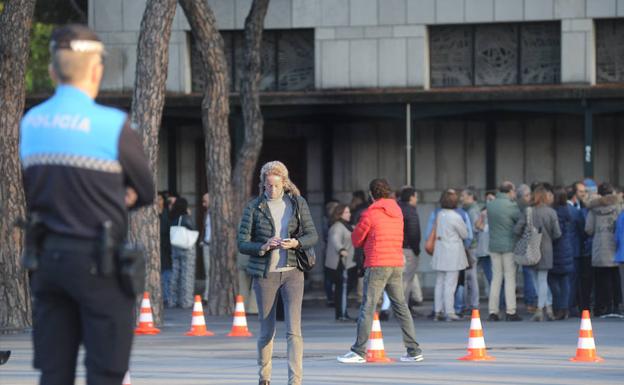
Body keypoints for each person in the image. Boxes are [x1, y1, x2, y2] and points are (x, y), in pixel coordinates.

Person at [20, 24, 154, 385]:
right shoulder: (113, 125)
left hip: (48, 263)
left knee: (54, 372)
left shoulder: (30, 124)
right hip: (99, 263)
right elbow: (145, 189)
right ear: (97, 70)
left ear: (52, 71)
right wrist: (115, 195)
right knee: (106, 371)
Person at [237, 161, 318, 385]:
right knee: (267, 331)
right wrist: (263, 245)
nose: (272, 190)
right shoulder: (254, 207)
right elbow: (242, 243)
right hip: (266, 275)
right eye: (268, 186)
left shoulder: (297, 203)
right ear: (262, 185)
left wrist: (296, 242)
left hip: (293, 273)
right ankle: (264, 378)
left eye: (276, 185)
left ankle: (296, 380)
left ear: (284, 182)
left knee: (294, 330)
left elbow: (313, 235)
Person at [337, 179, 423, 364]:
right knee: (400, 306)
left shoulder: (371, 213)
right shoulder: (397, 211)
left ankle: (358, 351)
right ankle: (414, 350)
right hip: (395, 262)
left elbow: (356, 239)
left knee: (368, 306)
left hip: (377, 263)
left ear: (371, 194)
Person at [515, 187, 561, 321]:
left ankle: (542, 308)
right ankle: (545, 308)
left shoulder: (528, 211)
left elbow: (517, 229)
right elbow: (557, 233)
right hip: (546, 249)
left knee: (536, 280)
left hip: (530, 248)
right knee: (542, 279)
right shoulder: (551, 212)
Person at [486, 181, 522, 321]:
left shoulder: (491, 205)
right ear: (509, 191)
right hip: (509, 246)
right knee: (509, 278)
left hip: (494, 245)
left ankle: (493, 311)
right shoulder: (511, 206)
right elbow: (519, 221)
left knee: (496, 279)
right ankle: (510, 311)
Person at [585, 182, 622, 317]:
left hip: (599, 247)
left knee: (601, 279)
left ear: (599, 194)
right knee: (615, 277)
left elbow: (588, 229)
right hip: (614, 247)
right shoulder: (618, 207)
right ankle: (617, 305)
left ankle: (603, 306)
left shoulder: (593, 209)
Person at [432, 190, 469, 321]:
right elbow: (465, 234)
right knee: (450, 283)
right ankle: (450, 311)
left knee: (439, 282)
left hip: (440, 249)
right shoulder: (455, 217)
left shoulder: (440, 214)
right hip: (452, 251)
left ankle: (437, 310)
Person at [325, 204, 358, 321]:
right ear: (339, 214)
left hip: (347, 262)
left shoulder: (348, 226)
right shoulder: (337, 226)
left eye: (349, 212)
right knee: (342, 288)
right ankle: (342, 314)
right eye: (346, 212)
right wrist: (341, 249)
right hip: (339, 262)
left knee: (344, 288)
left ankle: (341, 313)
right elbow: (335, 239)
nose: (349, 214)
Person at [550, 186, 578, 320]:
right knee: (565, 280)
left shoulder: (554, 211)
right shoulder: (569, 210)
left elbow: (556, 233)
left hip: (556, 248)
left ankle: (559, 307)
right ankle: (565, 307)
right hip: (567, 247)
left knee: (553, 279)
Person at [398, 187, 423, 314]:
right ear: (411, 197)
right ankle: (403, 309)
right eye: (416, 196)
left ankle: (400, 307)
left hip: (397, 248)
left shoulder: (397, 208)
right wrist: (416, 249)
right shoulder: (410, 211)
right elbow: (414, 233)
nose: (417, 199)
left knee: (401, 279)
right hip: (408, 249)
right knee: (407, 280)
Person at [168, 197, 197, 309]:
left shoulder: (173, 217)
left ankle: (173, 300)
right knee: (187, 274)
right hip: (186, 247)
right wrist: (189, 215)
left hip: (175, 246)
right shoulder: (185, 218)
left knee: (175, 273)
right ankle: (186, 301)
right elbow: (193, 228)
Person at [567, 181, 588, 317]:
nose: (584, 194)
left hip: (570, 249)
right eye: (581, 191)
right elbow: (583, 231)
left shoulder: (580, 207)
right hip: (574, 249)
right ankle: (569, 306)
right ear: (574, 193)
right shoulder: (575, 211)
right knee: (572, 280)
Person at [517, 184, 537, 314]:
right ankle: (533, 301)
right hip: (533, 244)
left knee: (529, 274)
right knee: (532, 275)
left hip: (525, 244)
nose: (529, 197)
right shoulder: (529, 209)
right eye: (527, 195)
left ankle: (531, 301)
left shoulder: (523, 209)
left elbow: (517, 229)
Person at [461, 187, 480, 315]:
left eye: (463, 195)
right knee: (470, 277)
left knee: (471, 277)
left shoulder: (472, 211)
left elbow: (473, 231)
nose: (461, 198)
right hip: (471, 246)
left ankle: (473, 304)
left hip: (471, 247)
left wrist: (467, 245)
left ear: (470, 196)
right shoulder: (470, 210)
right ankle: (471, 304)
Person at [322, 199, 340, 307]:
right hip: (329, 250)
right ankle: (330, 297)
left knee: (332, 275)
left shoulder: (333, 221)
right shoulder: (327, 221)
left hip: (331, 250)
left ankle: (333, 297)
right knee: (329, 275)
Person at [158, 191, 173, 307]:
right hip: (157, 244)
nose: (158, 202)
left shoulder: (168, 213)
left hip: (166, 245)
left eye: (160, 199)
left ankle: (167, 297)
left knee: (166, 271)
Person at [200, 193, 212, 302]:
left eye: (205, 201)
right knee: (207, 271)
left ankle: (208, 295)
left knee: (212, 271)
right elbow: (205, 229)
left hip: (215, 245)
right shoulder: (207, 213)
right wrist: (202, 240)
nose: (204, 204)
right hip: (207, 244)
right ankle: (207, 295)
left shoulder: (217, 213)